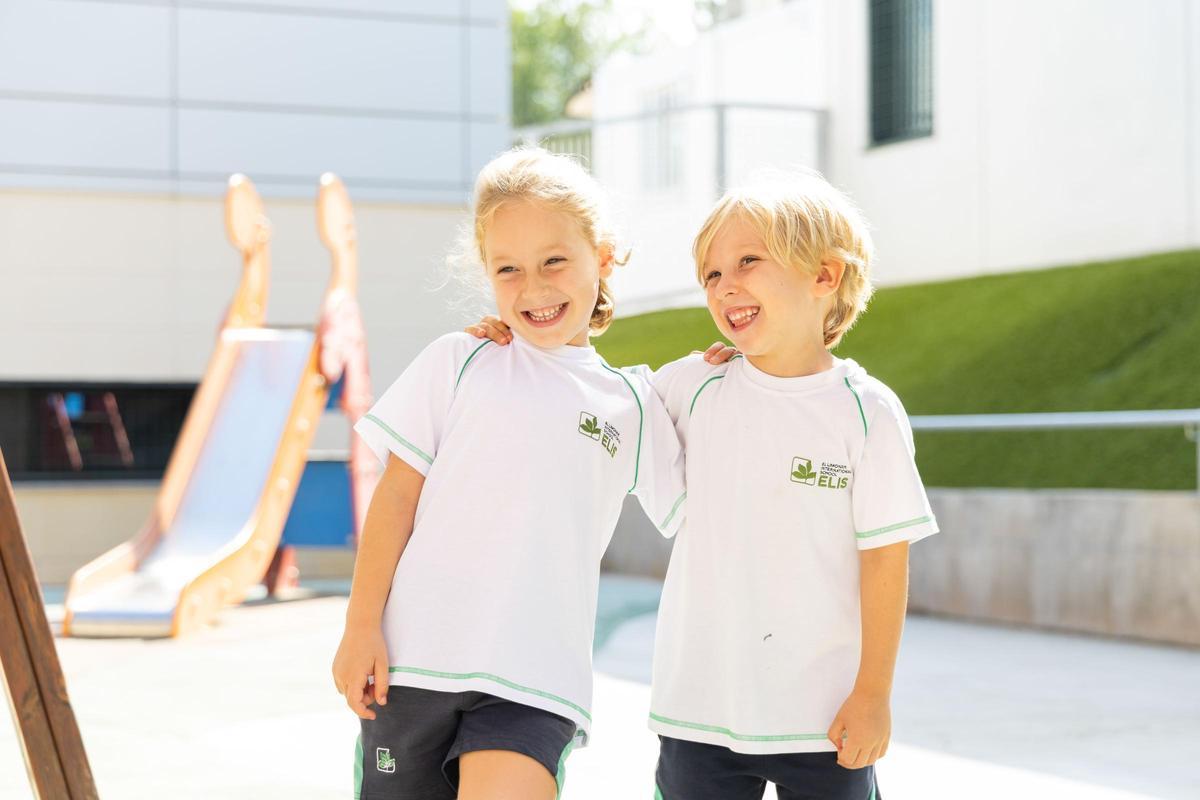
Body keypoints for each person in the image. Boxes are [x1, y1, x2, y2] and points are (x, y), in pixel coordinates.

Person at [470, 171, 937, 799]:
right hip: (698, 713)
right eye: (713, 274)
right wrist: (515, 344)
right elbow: (589, 396)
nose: (726, 286)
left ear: (824, 276)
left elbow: (885, 560)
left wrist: (874, 694)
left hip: (825, 721)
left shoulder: (867, 411)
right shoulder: (690, 386)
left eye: (748, 261)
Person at [333, 147, 686, 800]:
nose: (535, 288)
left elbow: (700, 509)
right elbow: (396, 500)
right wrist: (360, 627)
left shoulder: (633, 403)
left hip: (535, 680)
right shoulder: (459, 361)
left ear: (602, 257)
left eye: (555, 261)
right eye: (509, 269)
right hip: (412, 667)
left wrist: (734, 370)